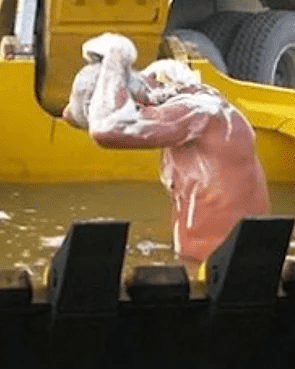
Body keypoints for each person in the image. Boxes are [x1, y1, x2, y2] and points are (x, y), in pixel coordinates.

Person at [62, 33, 270, 264]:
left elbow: (106, 129)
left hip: (229, 270)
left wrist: (116, 54)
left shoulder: (200, 110)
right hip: (205, 264)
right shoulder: (180, 114)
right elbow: (73, 116)